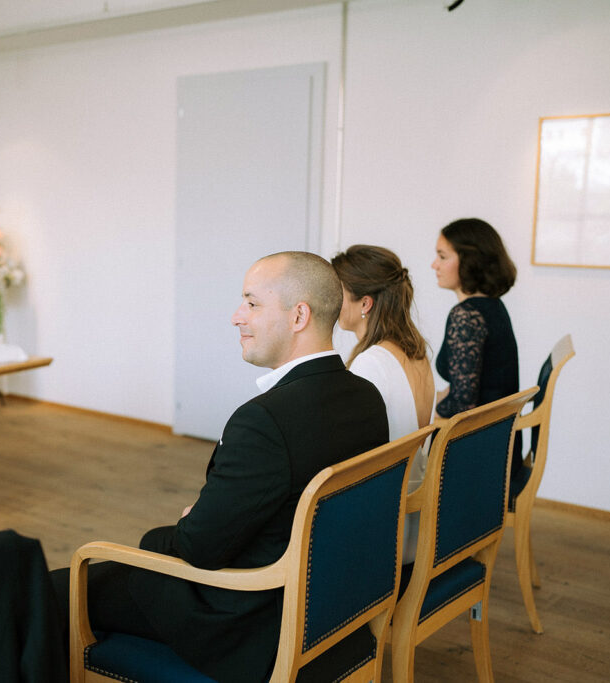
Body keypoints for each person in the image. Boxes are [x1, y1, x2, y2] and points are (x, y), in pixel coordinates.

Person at [51, 251, 389, 683]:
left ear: (298, 315)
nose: (236, 316)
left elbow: (199, 548)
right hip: (331, 606)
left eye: (252, 303)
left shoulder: (264, 421)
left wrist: (178, 530)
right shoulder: (365, 397)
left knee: (54, 589)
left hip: (248, 620)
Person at [332, 244, 433, 563]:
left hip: (384, 524)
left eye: (338, 292)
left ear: (365, 303)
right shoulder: (415, 351)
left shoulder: (371, 363)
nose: (331, 302)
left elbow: (352, 455)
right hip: (409, 510)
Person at [431, 217, 521, 472]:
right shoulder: (493, 307)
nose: (434, 264)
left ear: (470, 261)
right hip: (499, 443)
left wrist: (425, 407)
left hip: (480, 456)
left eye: (442, 256)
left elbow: (462, 406)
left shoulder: (467, 316)